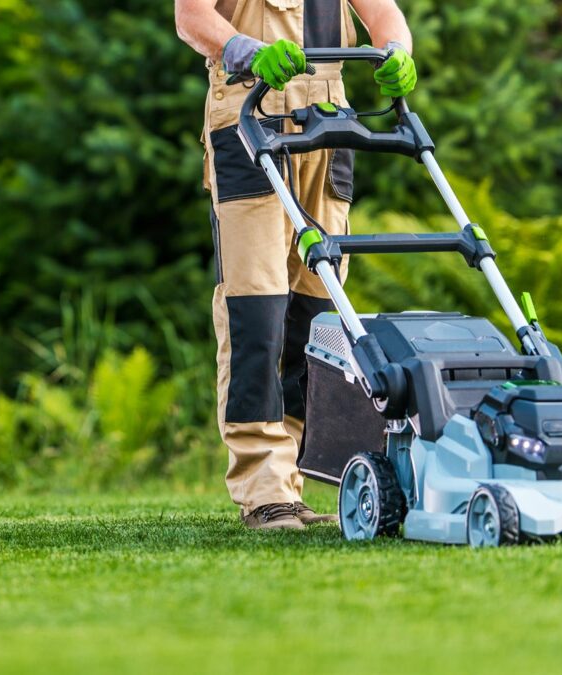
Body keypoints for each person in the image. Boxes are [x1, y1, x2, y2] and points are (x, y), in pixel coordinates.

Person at [174, 0, 417, 530]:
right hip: (248, 114)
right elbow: (190, 17)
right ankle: (263, 486)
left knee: (318, 313)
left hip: (327, 126)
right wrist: (247, 51)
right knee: (256, 309)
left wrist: (397, 50)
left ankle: (294, 481)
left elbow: (385, 16)